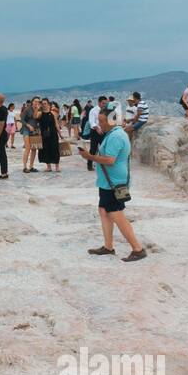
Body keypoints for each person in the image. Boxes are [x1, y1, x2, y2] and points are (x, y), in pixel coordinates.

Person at [78, 104, 146, 261]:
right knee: (104, 211)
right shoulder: (114, 133)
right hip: (108, 181)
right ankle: (108, 247)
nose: (100, 124)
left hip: (113, 182)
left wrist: (90, 157)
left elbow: (109, 160)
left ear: (111, 120)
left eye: (102, 121)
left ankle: (138, 248)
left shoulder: (115, 136)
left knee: (116, 214)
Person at [85, 95, 107, 171]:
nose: (104, 105)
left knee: (104, 149)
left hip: (104, 132)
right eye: (103, 103)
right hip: (95, 132)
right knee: (93, 149)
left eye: (105, 103)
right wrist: (97, 128)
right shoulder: (93, 110)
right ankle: (89, 165)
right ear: (99, 103)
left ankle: (104, 165)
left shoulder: (106, 111)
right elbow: (91, 122)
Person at [37, 99, 61, 172]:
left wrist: (60, 133)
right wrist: (38, 107)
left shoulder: (53, 113)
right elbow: (35, 117)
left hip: (53, 133)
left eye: (45, 103)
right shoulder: (40, 113)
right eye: (42, 103)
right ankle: (49, 167)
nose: (44, 105)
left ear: (48, 104)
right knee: (45, 149)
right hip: (44, 134)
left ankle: (57, 166)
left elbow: (56, 124)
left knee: (55, 149)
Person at [20, 99, 38, 172]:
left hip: (34, 130)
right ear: (32, 102)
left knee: (34, 149)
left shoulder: (38, 109)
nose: (36, 103)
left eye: (38, 101)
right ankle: (24, 167)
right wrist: (28, 126)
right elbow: (22, 119)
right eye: (35, 101)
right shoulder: (28, 109)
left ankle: (31, 166)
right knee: (27, 148)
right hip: (26, 130)